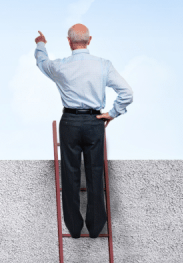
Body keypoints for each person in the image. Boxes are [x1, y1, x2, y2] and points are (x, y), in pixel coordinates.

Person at [35, 24, 133, 239]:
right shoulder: (103, 65)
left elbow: (42, 63)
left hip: (69, 121)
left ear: (69, 42)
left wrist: (40, 44)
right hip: (94, 121)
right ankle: (96, 226)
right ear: (90, 40)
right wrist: (113, 113)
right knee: (95, 172)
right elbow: (127, 92)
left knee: (70, 174)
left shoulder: (60, 66)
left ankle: (74, 227)